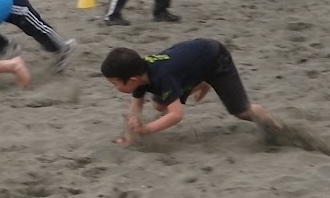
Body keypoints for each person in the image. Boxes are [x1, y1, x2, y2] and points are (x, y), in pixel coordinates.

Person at [100, 39, 276, 146]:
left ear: (132, 80)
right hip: (193, 62)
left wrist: (147, 129)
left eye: (115, 83)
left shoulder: (161, 77)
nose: (114, 87)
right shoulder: (140, 73)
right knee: (158, 104)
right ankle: (199, 82)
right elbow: (135, 107)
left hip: (216, 59)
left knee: (240, 111)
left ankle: (275, 126)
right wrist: (130, 136)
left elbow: (176, 115)